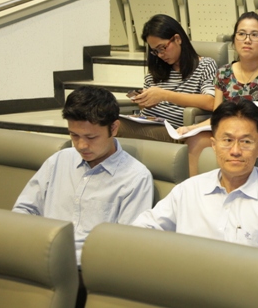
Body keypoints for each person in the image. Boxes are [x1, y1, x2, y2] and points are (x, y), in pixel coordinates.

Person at [132, 99, 258, 261]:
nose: (235, 151)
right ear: (213, 145)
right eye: (227, 140)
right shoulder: (189, 189)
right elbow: (143, 229)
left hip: (245, 279)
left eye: (246, 142)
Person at [13, 86, 154, 264]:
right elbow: (24, 210)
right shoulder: (59, 160)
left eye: (91, 137)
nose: (81, 145)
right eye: (74, 135)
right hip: (40, 257)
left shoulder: (135, 177)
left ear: (114, 128)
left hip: (90, 268)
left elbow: (127, 243)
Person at [179, 12, 258, 173]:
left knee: (242, 146)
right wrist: (191, 128)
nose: (247, 40)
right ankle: (196, 187)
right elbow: (217, 116)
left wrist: (257, 107)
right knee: (195, 140)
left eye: (254, 35)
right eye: (242, 34)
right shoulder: (223, 73)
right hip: (229, 134)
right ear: (234, 39)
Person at [118, 14, 216, 147]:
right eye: (155, 51)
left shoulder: (205, 65)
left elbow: (211, 102)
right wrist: (145, 102)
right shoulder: (157, 69)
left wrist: (165, 95)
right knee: (105, 121)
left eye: (162, 48)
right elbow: (144, 108)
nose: (160, 55)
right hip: (147, 121)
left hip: (173, 129)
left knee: (111, 126)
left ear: (177, 39)